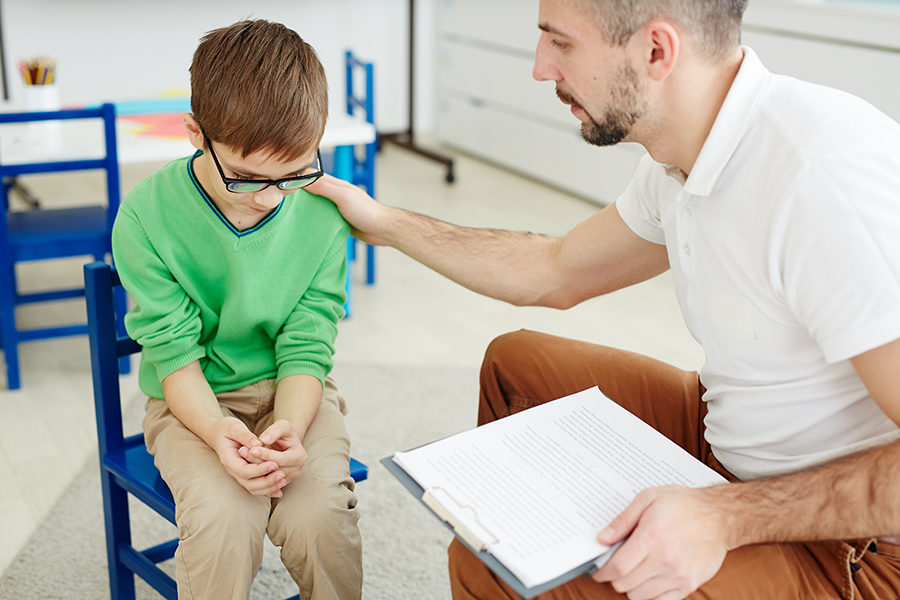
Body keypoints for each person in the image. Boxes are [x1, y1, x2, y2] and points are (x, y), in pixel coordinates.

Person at [307, 0, 900, 598]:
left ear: (656, 51)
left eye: (561, 43)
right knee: (517, 367)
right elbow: (555, 270)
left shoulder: (823, 182)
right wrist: (386, 223)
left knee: (485, 566)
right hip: (736, 442)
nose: (540, 67)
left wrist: (726, 516)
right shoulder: (683, 154)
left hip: (859, 547)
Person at [111, 20, 361, 600]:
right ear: (195, 133)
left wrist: (290, 427)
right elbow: (174, 357)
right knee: (223, 519)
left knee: (322, 516)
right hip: (192, 402)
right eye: (246, 178)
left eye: (293, 175)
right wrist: (217, 429)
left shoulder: (322, 212)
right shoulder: (145, 216)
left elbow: (308, 344)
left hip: (294, 392)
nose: (270, 198)